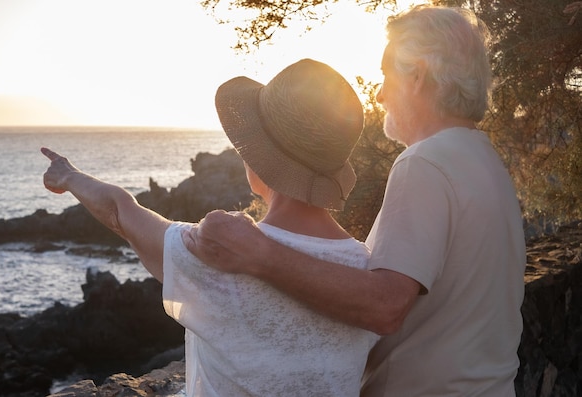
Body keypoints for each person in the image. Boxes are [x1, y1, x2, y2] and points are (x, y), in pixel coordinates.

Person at [183, 4, 527, 397]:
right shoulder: (486, 161)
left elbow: (385, 306)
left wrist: (259, 253)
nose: (379, 94)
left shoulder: (425, 163)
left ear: (416, 75)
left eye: (385, 73)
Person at [41, 58, 380, 396]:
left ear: (261, 160)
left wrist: (68, 176)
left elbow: (119, 211)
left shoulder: (215, 256)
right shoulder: (368, 272)